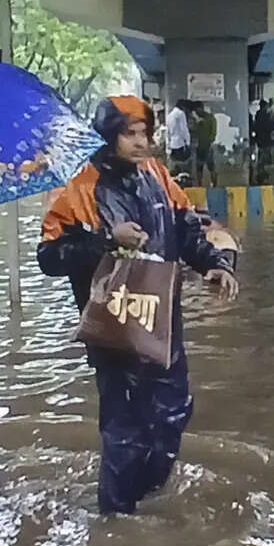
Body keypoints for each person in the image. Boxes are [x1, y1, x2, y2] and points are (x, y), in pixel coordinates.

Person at [39, 96, 241, 513]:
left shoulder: (157, 175)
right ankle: (116, 516)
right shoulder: (80, 188)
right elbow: (50, 258)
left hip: (163, 316)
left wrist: (215, 264)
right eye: (130, 134)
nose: (141, 142)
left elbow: (187, 228)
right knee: (123, 427)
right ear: (109, 135)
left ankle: (144, 498)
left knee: (175, 411)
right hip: (113, 325)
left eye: (145, 133)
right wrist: (107, 240)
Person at [191, 102, 219, 187]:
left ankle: (214, 184)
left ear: (201, 108)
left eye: (197, 109)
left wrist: (209, 142)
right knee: (199, 167)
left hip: (208, 147)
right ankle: (199, 184)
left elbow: (213, 133)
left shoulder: (210, 118)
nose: (197, 112)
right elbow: (194, 133)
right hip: (199, 147)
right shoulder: (196, 120)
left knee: (211, 167)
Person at [251, 98, 274, 184]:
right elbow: (272, 126)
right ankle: (265, 177)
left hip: (260, 141)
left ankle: (260, 176)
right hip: (266, 141)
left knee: (261, 159)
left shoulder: (257, 116)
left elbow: (255, 127)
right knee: (266, 160)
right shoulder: (265, 116)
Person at [165, 99, 193, 179]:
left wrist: (168, 146)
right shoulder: (180, 114)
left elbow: (168, 132)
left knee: (175, 167)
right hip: (181, 144)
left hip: (172, 144)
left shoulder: (169, 115)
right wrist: (188, 142)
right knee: (184, 167)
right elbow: (184, 129)